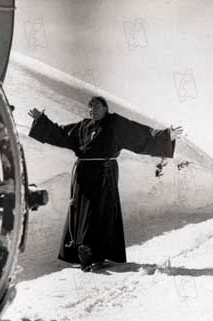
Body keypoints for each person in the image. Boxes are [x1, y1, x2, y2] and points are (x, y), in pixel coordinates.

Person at [28, 96, 183, 271]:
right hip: (83, 175)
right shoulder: (83, 126)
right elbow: (61, 134)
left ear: (105, 108)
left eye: (95, 106)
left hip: (104, 173)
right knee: (80, 212)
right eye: (89, 107)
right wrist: (41, 121)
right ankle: (81, 250)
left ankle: (91, 253)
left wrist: (166, 136)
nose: (91, 110)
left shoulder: (116, 124)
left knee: (98, 212)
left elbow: (139, 135)